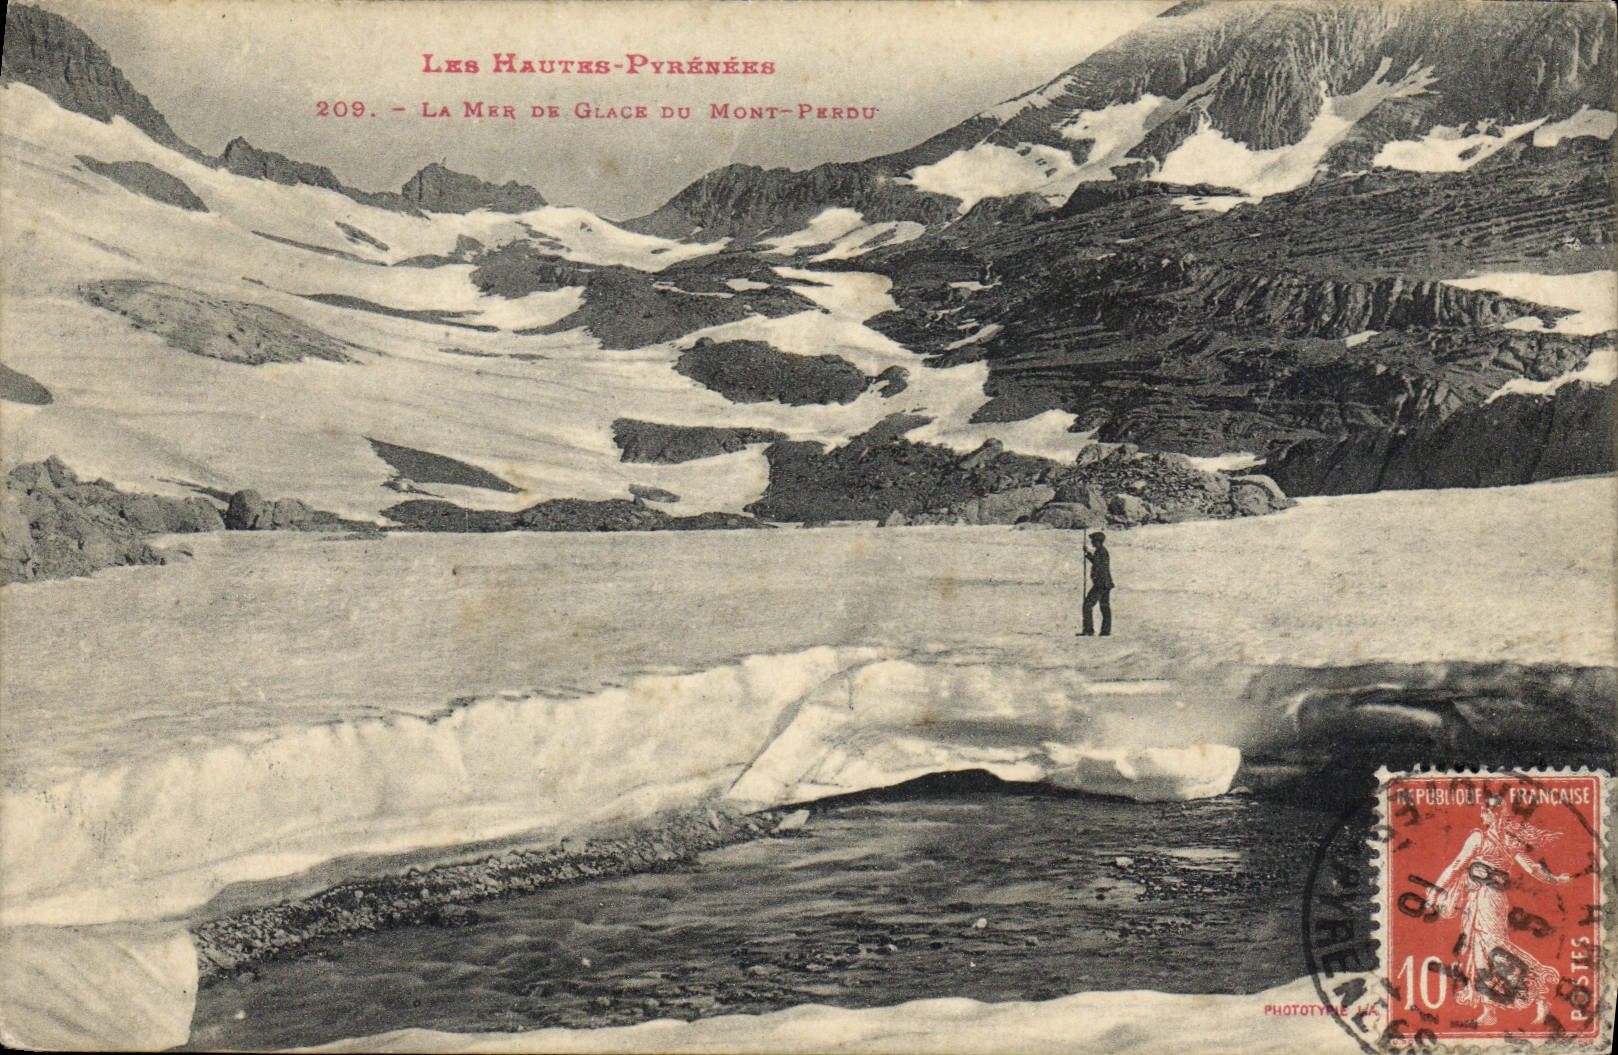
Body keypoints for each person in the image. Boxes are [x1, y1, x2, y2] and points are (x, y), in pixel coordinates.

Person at [1421, 795, 1571, 1025]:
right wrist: (1556, 880)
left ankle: (1541, 993)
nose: (1487, 815)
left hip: (1489, 901)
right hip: (1480, 901)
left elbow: (1457, 866)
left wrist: (1435, 891)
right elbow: (1532, 869)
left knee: (1496, 951)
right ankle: (1489, 1011)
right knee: (1479, 952)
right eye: (1488, 812)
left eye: (1490, 812)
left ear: (1492, 814)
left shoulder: (1488, 839)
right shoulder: (1503, 840)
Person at [1080, 531, 1113, 636]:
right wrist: (1088, 554)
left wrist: (1088, 554)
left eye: (1093, 541)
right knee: (1104, 606)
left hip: (1101, 583)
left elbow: (1097, 564)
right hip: (1106, 583)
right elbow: (1097, 562)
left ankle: (1088, 630)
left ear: (1098, 541)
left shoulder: (1101, 552)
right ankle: (1105, 631)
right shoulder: (1102, 551)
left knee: (1087, 605)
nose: (1092, 543)